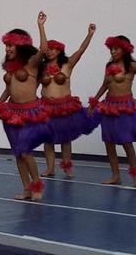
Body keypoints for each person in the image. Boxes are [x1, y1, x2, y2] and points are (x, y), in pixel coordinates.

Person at [0, 11, 51, 201]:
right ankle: (26, 188)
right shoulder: (10, 68)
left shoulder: (31, 65)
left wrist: (40, 25)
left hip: (30, 113)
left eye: (10, 45)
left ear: (20, 46)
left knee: (25, 152)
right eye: (6, 45)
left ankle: (37, 185)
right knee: (18, 153)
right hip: (11, 112)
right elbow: (8, 89)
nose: (7, 49)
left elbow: (43, 49)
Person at [40, 24, 98, 178]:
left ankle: (67, 167)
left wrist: (90, 35)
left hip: (64, 106)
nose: (50, 51)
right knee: (48, 139)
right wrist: (41, 26)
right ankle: (50, 168)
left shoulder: (67, 65)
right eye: (49, 48)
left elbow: (80, 50)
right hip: (46, 105)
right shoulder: (41, 66)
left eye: (54, 49)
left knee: (65, 138)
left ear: (59, 51)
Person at [89, 35, 136, 188]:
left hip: (125, 107)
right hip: (109, 106)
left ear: (125, 49)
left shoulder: (131, 65)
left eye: (116, 49)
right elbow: (104, 85)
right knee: (109, 142)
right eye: (111, 49)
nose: (113, 52)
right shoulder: (109, 66)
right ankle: (116, 176)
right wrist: (94, 101)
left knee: (127, 143)